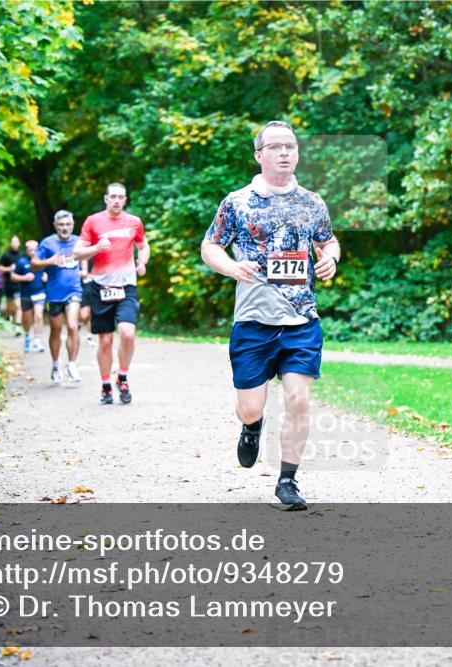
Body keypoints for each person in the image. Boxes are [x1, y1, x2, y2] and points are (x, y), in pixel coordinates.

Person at [200, 120, 340, 511]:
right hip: (253, 322)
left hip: (301, 320)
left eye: (290, 146)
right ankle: (251, 427)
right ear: (259, 155)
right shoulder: (238, 202)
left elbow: (328, 241)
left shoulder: (312, 202)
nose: (284, 152)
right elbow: (210, 245)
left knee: (298, 399)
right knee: (250, 405)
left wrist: (330, 258)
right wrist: (230, 267)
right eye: (275, 147)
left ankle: (287, 481)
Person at [74, 183, 150, 405]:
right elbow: (78, 252)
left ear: (125, 200)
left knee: (127, 333)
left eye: (121, 197)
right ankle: (106, 384)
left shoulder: (134, 222)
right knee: (105, 341)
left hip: (126, 286)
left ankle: (123, 377)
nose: (117, 200)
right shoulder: (93, 221)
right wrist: (96, 248)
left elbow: (144, 246)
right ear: (106, 199)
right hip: (100, 287)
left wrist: (142, 262)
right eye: (113, 197)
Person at [32, 211, 85, 385]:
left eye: (68, 224)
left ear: (73, 224)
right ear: (56, 226)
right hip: (54, 294)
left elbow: (86, 256)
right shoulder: (47, 243)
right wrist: (50, 261)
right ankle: (56, 364)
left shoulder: (79, 241)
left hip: (74, 291)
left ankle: (72, 365)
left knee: (72, 326)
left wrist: (84, 270)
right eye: (61, 225)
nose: (65, 228)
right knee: (55, 330)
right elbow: (34, 264)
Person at [13, 239, 47, 353]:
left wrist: (46, 277)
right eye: (30, 249)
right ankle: (27, 336)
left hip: (39, 291)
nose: (32, 252)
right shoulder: (21, 262)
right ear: (26, 250)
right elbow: (13, 276)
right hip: (26, 293)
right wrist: (23, 278)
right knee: (26, 319)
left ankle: (37, 340)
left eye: (35, 249)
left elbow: (50, 272)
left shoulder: (42, 260)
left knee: (39, 315)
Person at [0, 236, 22, 327]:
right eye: (12, 242)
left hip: (19, 284)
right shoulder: (6, 256)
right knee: (10, 308)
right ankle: (6, 316)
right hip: (9, 284)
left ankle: (17, 326)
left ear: (19, 243)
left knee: (18, 306)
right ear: (10, 244)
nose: (14, 244)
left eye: (16, 242)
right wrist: (9, 269)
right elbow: (0, 268)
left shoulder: (22, 255)